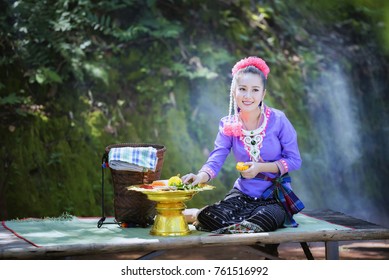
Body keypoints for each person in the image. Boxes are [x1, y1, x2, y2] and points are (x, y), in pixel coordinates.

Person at [182, 56, 304, 234]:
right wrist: (200, 177)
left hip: (273, 197)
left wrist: (260, 167)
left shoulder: (278, 120)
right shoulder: (228, 124)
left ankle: (214, 221)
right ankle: (200, 215)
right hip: (243, 193)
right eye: (243, 89)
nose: (248, 96)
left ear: (263, 94)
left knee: (266, 218)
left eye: (255, 90)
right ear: (234, 91)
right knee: (211, 215)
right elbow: (217, 157)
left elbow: (294, 160)